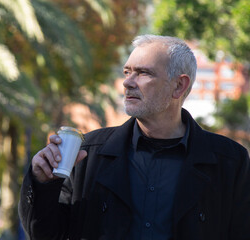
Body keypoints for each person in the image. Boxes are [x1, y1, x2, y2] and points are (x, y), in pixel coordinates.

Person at [18, 35, 250, 240]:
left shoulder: (230, 161)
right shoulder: (87, 153)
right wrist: (42, 184)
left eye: (143, 73)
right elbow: (46, 234)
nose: (128, 82)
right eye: (127, 72)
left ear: (179, 86)